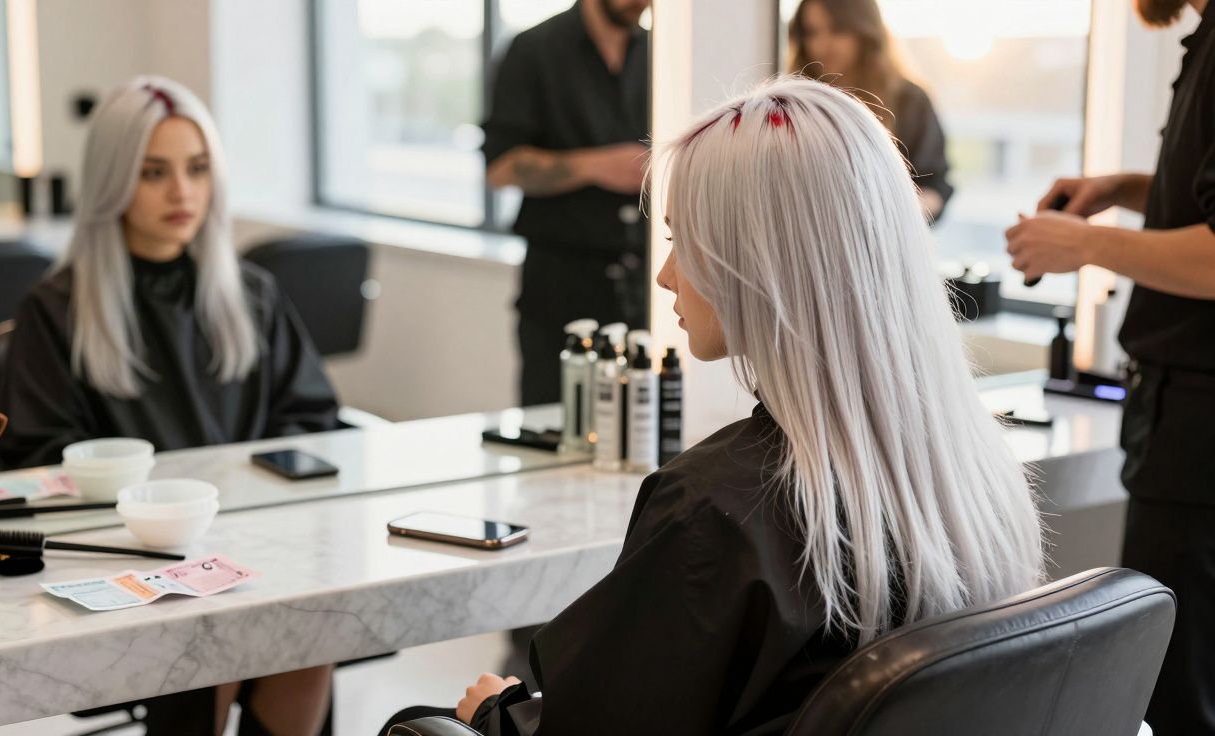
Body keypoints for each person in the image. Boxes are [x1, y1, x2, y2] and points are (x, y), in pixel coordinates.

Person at [381, 76, 1044, 736]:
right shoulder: (972, 466)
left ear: (752, 261)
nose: (666, 275)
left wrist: (498, 713)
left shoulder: (716, 514)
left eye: (679, 241)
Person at [0, 77, 338, 736]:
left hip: (254, 545)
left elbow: (314, 422)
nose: (182, 192)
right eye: (154, 173)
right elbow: (38, 462)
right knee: (220, 636)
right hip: (128, 558)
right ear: (113, 180)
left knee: (308, 627)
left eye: (197, 169)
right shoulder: (57, 310)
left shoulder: (252, 295)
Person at [1005, 0, 1214, 731]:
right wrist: (1127, 191)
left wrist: (1085, 246)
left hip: (1199, 429)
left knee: (1179, 694)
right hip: (1182, 417)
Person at [482, 0, 651, 406]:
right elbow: (500, 169)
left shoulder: (659, 54)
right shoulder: (533, 50)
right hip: (560, 287)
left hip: (644, 285)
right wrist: (596, 165)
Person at [787, 0, 952, 219]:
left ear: (865, 29)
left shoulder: (910, 100)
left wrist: (891, 217)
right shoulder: (794, 101)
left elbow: (934, 186)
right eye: (811, 32)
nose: (823, 43)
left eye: (838, 29)